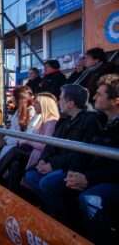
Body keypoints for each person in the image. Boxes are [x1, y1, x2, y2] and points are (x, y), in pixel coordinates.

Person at [23, 84, 102, 219]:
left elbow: (80, 153)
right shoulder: (64, 121)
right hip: (58, 164)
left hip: (71, 167)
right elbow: (51, 144)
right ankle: (52, 211)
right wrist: (43, 160)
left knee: (47, 183)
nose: (58, 102)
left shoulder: (90, 120)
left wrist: (52, 164)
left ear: (70, 103)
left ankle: (63, 220)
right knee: (30, 175)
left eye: (61, 99)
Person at [68, 74, 119, 244]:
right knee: (53, 183)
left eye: (100, 94)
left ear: (115, 100)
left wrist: (88, 178)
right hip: (94, 176)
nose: (94, 97)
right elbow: (84, 151)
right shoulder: (97, 120)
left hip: (110, 180)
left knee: (90, 198)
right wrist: (74, 172)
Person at [0, 93, 60, 192]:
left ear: (44, 105)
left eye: (37, 103)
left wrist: (28, 141)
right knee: (15, 165)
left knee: (14, 151)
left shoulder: (51, 121)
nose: (34, 105)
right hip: (31, 152)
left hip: (39, 155)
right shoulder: (42, 119)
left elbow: (45, 146)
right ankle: (11, 194)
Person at [0, 86, 38, 168]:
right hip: (10, 143)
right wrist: (5, 140)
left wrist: (6, 141)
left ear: (20, 99)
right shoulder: (18, 111)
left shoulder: (31, 112)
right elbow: (12, 129)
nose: (12, 99)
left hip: (17, 145)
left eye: (14, 97)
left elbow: (25, 134)